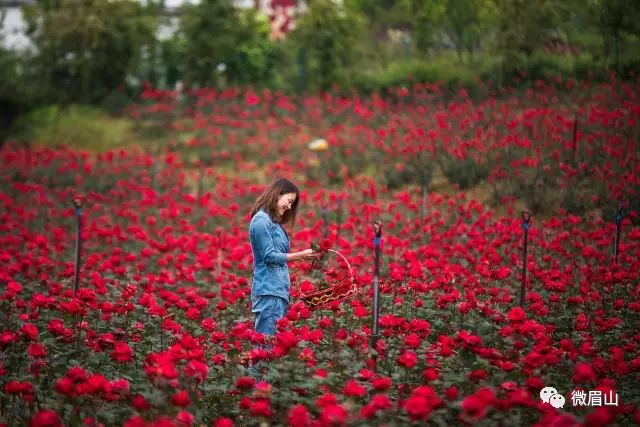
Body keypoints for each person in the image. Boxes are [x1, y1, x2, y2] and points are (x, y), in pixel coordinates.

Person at [246, 178, 320, 376]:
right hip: (269, 290)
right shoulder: (261, 221)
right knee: (264, 349)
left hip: (277, 291)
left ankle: (262, 393)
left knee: (271, 349)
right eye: (289, 200)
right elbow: (269, 256)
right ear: (277, 194)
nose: (289, 207)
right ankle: (256, 395)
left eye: (292, 203)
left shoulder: (273, 223)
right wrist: (301, 255)